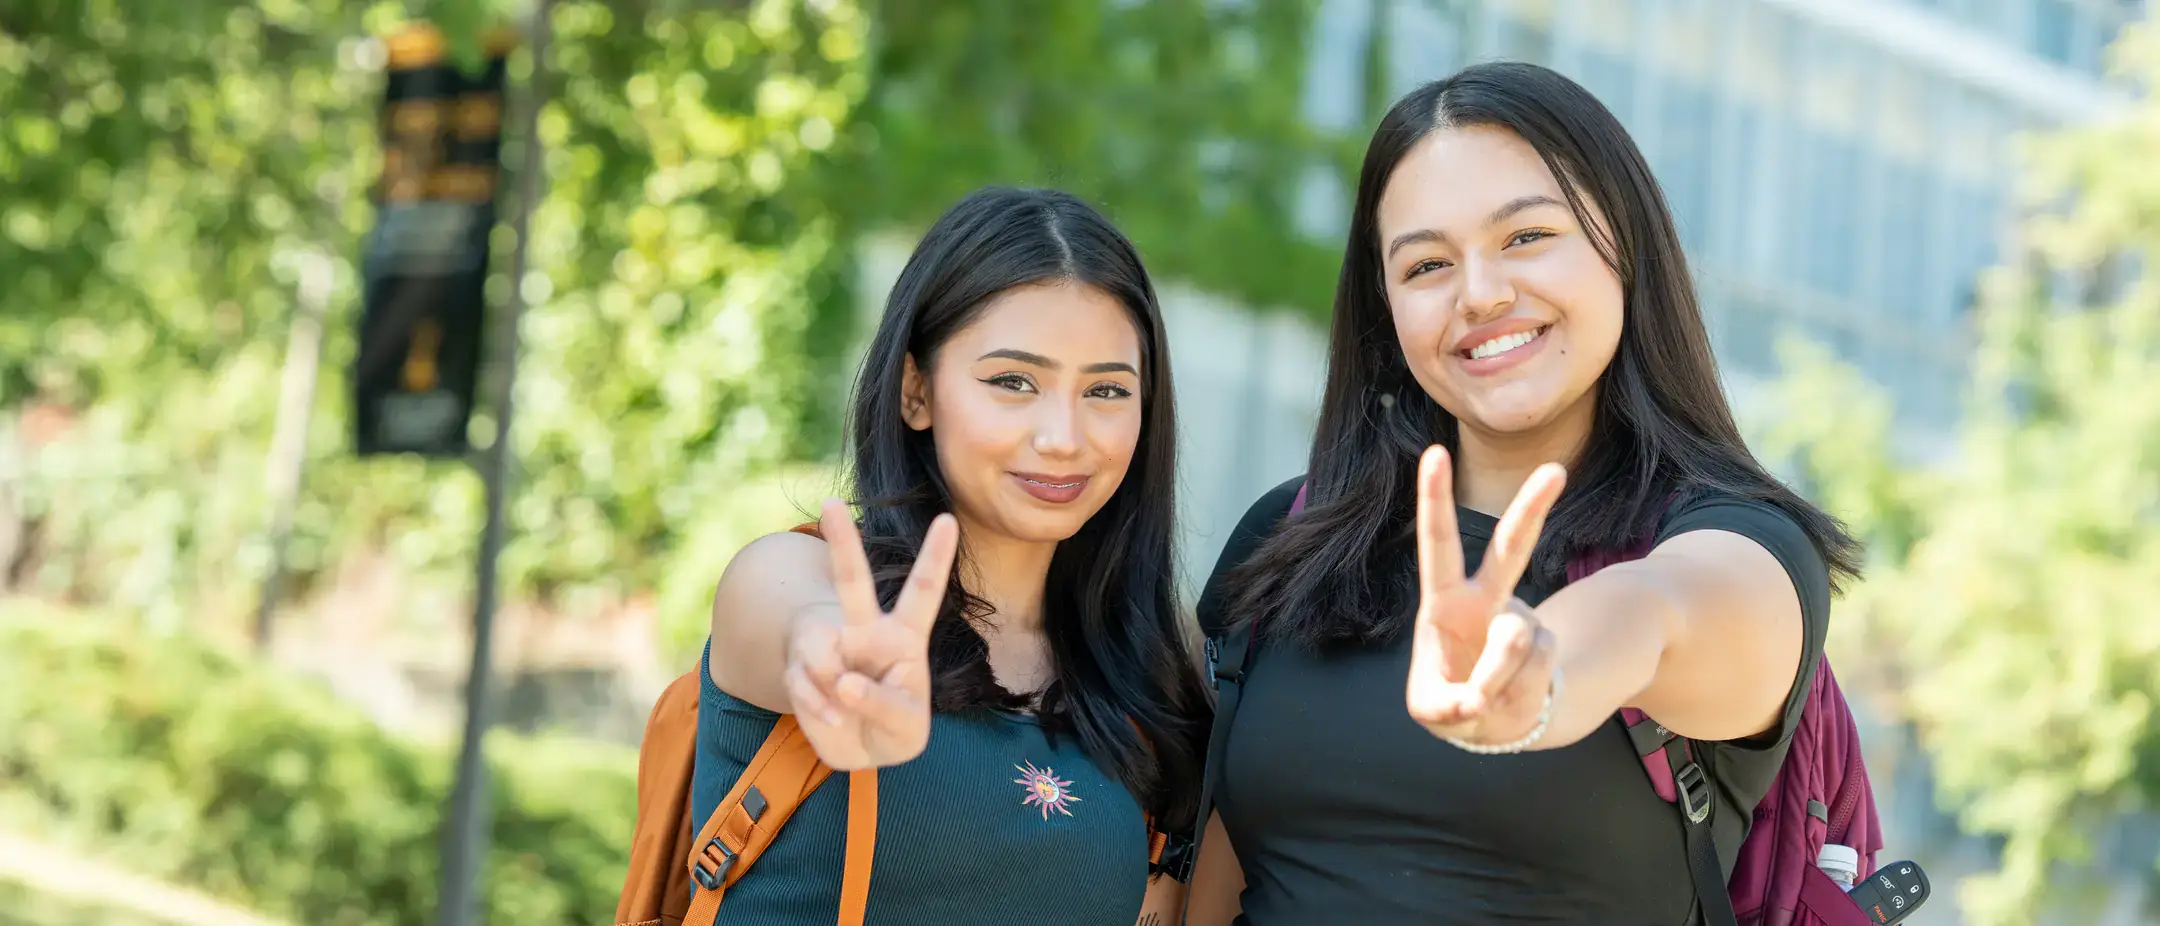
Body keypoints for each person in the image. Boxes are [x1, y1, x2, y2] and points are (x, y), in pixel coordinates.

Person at [1182, 62, 1864, 925]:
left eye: (1526, 237)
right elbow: (1211, 877)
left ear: (1625, 244)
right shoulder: (1289, 535)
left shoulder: (1738, 548)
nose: (1480, 294)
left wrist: (1537, 676)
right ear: (1384, 304)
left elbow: (1653, 615)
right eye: (1426, 263)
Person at [698, 186, 1208, 925]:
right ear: (916, 391)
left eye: (1105, 389)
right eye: (1013, 382)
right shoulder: (791, 582)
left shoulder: (1152, 678)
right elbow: (806, 635)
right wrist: (842, 672)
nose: (1064, 435)